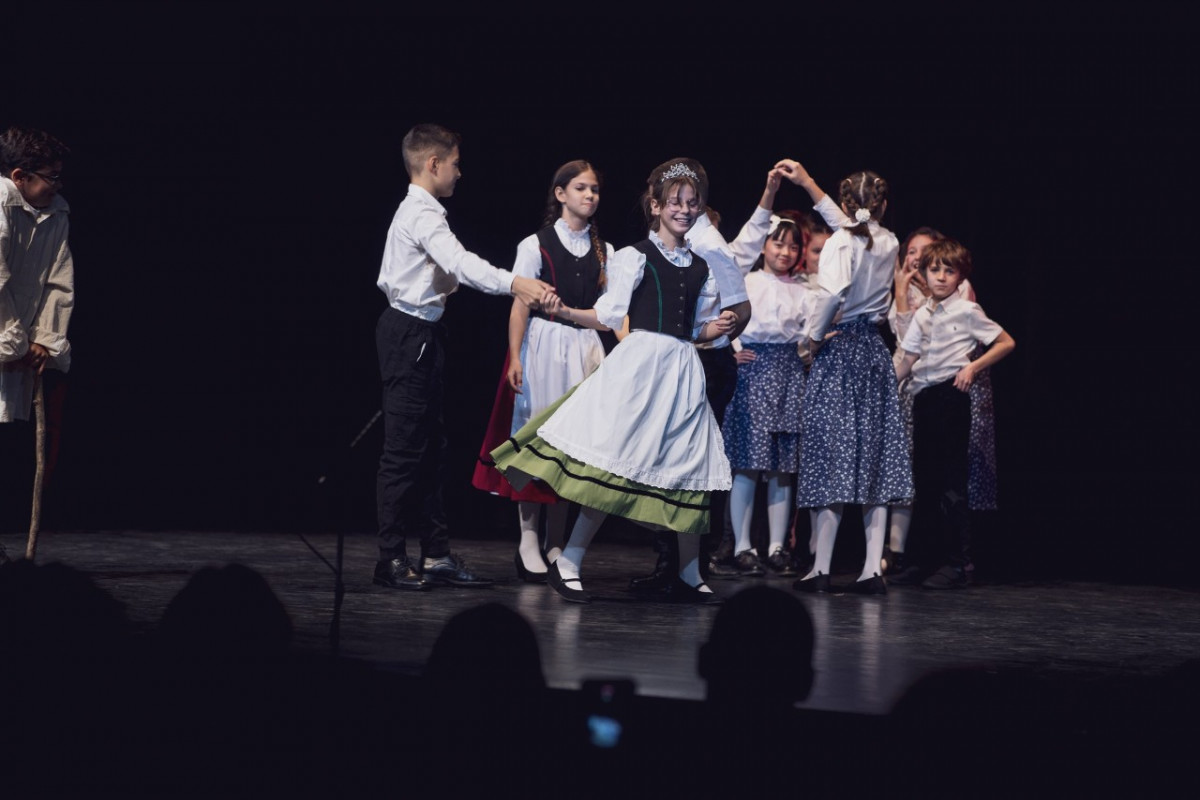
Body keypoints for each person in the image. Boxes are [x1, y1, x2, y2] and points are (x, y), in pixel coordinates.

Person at [489, 159, 739, 604]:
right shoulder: (634, 256)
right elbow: (608, 315)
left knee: (690, 466)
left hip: (682, 370)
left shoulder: (702, 266)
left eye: (692, 203)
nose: (684, 210)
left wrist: (713, 330)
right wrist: (566, 311)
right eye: (676, 202)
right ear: (656, 206)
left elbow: (693, 329)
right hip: (642, 367)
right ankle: (569, 560)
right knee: (614, 462)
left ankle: (689, 570)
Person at [373, 123, 552, 591]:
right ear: (433, 164)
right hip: (409, 334)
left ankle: (435, 555)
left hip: (424, 333)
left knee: (431, 450)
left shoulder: (427, 213)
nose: (459, 172)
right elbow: (460, 263)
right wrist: (515, 282)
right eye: (454, 163)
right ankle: (390, 558)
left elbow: (447, 272)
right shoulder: (421, 214)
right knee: (404, 452)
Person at [472, 160, 614, 582]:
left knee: (572, 448)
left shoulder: (605, 251)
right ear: (560, 193)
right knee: (537, 441)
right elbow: (520, 306)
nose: (589, 195)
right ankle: (528, 539)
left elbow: (610, 313)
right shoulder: (536, 245)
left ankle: (556, 540)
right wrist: (515, 357)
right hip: (544, 346)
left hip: (585, 349)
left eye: (594, 189)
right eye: (581, 188)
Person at [777, 160, 912, 595]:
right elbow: (856, 229)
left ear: (846, 203)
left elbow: (833, 293)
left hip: (840, 349)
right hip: (873, 350)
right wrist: (808, 183)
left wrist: (813, 340)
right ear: (883, 206)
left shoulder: (840, 242)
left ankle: (821, 567)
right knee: (875, 456)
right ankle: (872, 569)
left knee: (829, 454)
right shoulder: (888, 240)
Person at [894, 238, 1015, 588]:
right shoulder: (923, 313)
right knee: (925, 483)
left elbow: (1006, 342)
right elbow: (908, 359)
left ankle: (957, 563)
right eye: (935, 270)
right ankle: (921, 561)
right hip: (925, 398)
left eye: (950, 271)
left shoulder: (967, 310)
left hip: (951, 397)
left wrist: (972, 367)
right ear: (924, 274)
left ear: (960, 276)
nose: (942, 277)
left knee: (951, 483)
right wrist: (884, 389)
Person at [721, 214, 813, 578]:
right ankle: (742, 545)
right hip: (754, 371)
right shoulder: (747, 281)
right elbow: (722, 315)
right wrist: (733, 349)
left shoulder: (805, 290)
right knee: (747, 462)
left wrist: (803, 355)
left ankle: (777, 546)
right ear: (763, 246)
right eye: (778, 243)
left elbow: (809, 333)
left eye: (793, 246)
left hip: (789, 373)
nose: (785, 252)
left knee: (781, 467)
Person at [0, 126, 74, 564]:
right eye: (51, 176)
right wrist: (11, 343)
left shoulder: (55, 214)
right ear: (20, 175)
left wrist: (44, 339)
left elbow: (58, 281)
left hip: (17, 345)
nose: (57, 185)